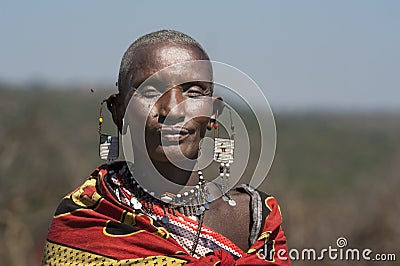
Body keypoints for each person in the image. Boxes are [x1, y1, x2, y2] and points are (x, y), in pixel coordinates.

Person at [42, 30, 289, 265]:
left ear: (214, 114)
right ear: (118, 112)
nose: (172, 109)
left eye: (192, 92)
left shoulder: (255, 218)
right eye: (150, 91)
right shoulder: (87, 217)